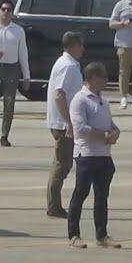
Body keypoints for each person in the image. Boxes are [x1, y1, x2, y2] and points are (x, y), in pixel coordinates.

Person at [67, 62, 122, 249]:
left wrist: (115, 132)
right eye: (103, 77)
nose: (106, 80)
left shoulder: (103, 101)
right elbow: (80, 129)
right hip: (87, 154)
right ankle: (74, 234)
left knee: (102, 196)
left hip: (104, 155)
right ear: (93, 78)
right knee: (80, 193)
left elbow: (110, 124)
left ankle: (102, 234)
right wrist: (104, 135)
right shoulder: (80, 99)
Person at [45, 31, 85, 219]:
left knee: (62, 162)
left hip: (62, 121)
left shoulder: (67, 63)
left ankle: (54, 204)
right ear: (74, 46)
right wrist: (69, 121)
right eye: (81, 45)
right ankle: (54, 206)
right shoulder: (68, 66)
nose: (83, 49)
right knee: (62, 164)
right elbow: (59, 94)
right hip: (63, 123)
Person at [0, 0, 30, 147]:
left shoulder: (18, 30)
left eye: (9, 10)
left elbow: (23, 54)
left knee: (9, 103)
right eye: (3, 9)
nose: (6, 12)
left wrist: (26, 76)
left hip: (12, 69)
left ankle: (5, 135)